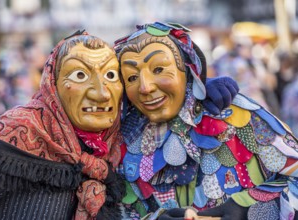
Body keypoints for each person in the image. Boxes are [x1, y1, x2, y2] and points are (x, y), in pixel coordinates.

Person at [0, 30, 238, 220]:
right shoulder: (22, 133)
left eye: (111, 75)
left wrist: (193, 94)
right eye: (79, 74)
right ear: (53, 86)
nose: (101, 92)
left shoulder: (112, 143)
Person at [115, 22, 298, 220]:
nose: (145, 87)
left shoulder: (238, 117)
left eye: (159, 69)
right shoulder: (123, 140)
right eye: (132, 78)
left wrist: (247, 206)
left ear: (186, 69)